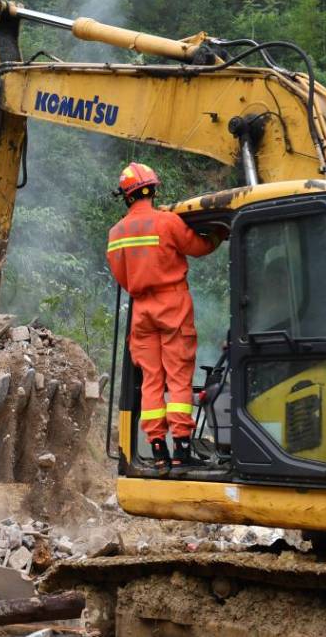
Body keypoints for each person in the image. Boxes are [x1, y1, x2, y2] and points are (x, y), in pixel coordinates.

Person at [106, 162, 222, 472]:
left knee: (151, 380)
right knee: (178, 376)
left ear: (126, 196)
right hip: (172, 304)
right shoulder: (167, 222)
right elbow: (198, 247)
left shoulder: (115, 234)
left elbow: (121, 276)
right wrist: (217, 236)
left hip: (141, 310)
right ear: (153, 190)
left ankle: (157, 448)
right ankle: (181, 449)